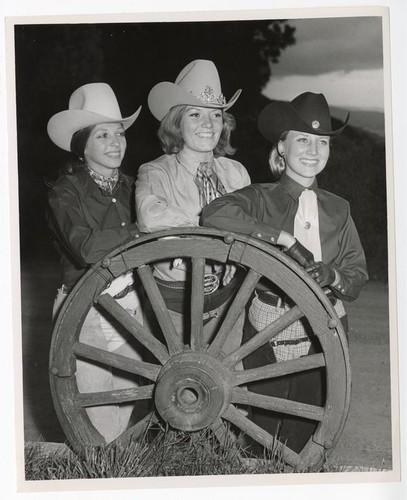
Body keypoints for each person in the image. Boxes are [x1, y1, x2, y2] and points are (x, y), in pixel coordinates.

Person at [201, 92, 369, 453]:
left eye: (321, 142)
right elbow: (214, 215)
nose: (313, 150)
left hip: (323, 327)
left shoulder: (339, 209)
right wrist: (280, 237)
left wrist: (333, 276)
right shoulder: (261, 198)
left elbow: (356, 274)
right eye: (303, 140)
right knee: (263, 422)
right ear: (282, 148)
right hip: (268, 325)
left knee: (307, 421)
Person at [47, 82, 144, 443]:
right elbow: (86, 249)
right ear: (82, 144)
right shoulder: (64, 192)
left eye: (119, 134)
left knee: (128, 409)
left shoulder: (136, 186)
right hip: (84, 309)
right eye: (103, 135)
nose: (115, 142)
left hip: (132, 307)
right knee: (99, 422)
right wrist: (140, 232)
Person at [135, 59, 251, 351]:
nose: (208, 125)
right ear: (177, 122)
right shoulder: (156, 171)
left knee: (226, 384)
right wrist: (212, 225)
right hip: (175, 306)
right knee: (182, 391)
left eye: (215, 115)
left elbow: (251, 226)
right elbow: (149, 215)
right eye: (195, 114)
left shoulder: (236, 172)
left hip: (227, 303)